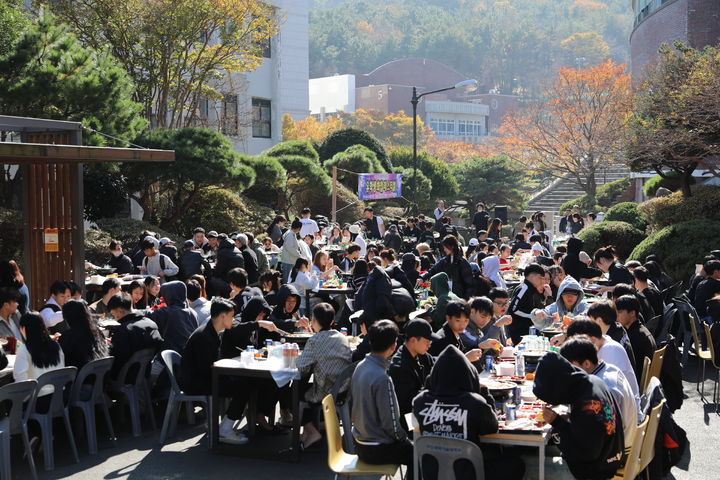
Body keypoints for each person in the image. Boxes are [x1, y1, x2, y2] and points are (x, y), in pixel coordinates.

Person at [413, 345, 526, 480]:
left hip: (432, 472)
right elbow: (492, 428)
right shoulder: (475, 403)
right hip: (469, 472)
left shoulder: (419, 401)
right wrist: (484, 393)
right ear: (467, 374)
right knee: (517, 464)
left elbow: (416, 425)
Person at [533, 351, 624, 480]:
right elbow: (589, 432)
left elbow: (584, 453)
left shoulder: (588, 405)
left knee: (526, 464)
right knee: (539, 451)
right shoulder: (592, 381)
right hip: (609, 457)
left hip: (594, 472)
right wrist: (569, 420)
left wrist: (557, 422)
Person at [181, 298, 256, 445]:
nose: (233, 320)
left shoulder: (212, 331)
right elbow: (207, 370)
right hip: (195, 382)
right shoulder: (204, 336)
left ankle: (226, 425)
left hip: (203, 377)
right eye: (232, 316)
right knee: (244, 386)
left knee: (245, 382)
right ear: (223, 316)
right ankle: (225, 430)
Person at [350, 320, 413, 476]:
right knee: (423, 452)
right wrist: (405, 439)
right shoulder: (382, 378)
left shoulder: (361, 366)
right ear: (393, 346)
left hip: (359, 443)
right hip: (377, 448)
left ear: (370, 341)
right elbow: (390, 423)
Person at [560, 336, 639, 451]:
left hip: (619, 449)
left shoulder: (601, 386)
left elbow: (600, 435)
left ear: (586, 363)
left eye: (571, 367)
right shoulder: (609, 368)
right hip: (626, 436)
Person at [295, 303, 351, 448]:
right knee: (304, 388)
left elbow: (301, 367)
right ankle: (310, 430)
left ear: (313, 320)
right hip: (343, 390)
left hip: (324, 392)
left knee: (294, 392)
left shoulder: (314, 341)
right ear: (332, 321)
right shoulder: (342, 338)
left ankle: (311, 431)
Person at [565, 318, 641, 408]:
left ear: (591, 340)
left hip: (624, 416)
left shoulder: (610, 350)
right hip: (621, 411)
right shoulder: (604, 343)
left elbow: (601, 395)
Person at [387, 318, 435, 424]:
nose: (429, 345)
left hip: (424, 410)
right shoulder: (399, 367)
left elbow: (436, 363)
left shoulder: (421, 355)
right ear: (413, 340)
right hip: (408, 420)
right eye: (427, 341)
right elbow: (408, 405)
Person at [14, 312, 66, 398]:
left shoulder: (24, 349)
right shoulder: (56, 346)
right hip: (60, 397)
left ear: (23, 329)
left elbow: (20, 381)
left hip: (36, 401)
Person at [428, 300, 487, 365]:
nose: (462, 325)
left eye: (466, 321)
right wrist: (465, 358)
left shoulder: (456, 332)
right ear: (448, 318)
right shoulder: (442, 339)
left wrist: (481, 346)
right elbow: (442, 367)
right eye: (458, 320)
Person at [149, 281, 198, 355]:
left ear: (169, 295)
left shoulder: (166, 312)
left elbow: (148, 315)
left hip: (173, 355)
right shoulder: (192, 312)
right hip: (191, 352)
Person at [616, 295, 656, 382]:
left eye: (619, 312)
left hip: (635, 382)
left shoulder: (635, 337)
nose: (616, 316)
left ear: (632, 313)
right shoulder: (640, 330)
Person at [59, 299, 109, 370]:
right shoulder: (97, 332)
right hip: (99, 375)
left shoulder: (67, 337)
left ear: (67, 317)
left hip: (78, 378)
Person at [507, 263, 550, 344]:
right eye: (540, 278)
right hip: (519, 330)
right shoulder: (524, 288)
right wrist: (531, 315)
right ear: (531, 277)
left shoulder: (531, 289)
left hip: (527, 329)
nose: (542, 281)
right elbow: (513, 309)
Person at [279, 218, 305, 283]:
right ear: (298, 228)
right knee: (287, 278)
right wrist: (299, 255)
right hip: (288, 260)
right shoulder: (290, 235)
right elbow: (290, 248)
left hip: (290, 259)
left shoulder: (291, 233)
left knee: (288, 277)